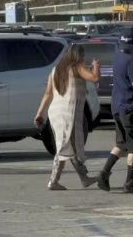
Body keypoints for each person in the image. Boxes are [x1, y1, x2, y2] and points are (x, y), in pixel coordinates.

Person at [34, 44, 100, 190]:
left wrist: (39, 113)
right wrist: (96, 66)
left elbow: (48, 94)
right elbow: (94, 78)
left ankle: (84, 179)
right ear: (78, 56)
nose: (83, 58)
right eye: (82, 56)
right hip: (68, 113)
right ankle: (53, 181)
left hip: (56, 113)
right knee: (64, 147)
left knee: (70, 147)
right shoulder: (76, 67)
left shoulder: (55, 70)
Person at [97, 31, 133, 194]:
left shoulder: (118, 57)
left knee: (121, 143)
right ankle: (130, 181)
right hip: (131, 106)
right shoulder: (132, 61)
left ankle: (104, 174)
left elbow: (129, 50)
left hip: (117, 106)